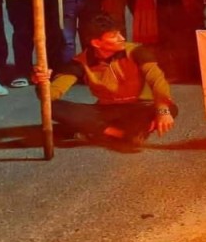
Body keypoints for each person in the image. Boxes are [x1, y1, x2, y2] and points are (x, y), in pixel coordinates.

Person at [33, 14, 176, 146]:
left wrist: (162, 110)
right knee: (50, 107)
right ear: (96, 42)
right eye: (114, 36)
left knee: (170, 108)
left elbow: (157, 80)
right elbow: (51, 95)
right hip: (105, 110)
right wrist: (41, 81)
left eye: (119, 33)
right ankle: (118, 134)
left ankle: (95, 131)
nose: (122, 38)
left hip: (138, 107)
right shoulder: (80, 62)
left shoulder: (136, 51)